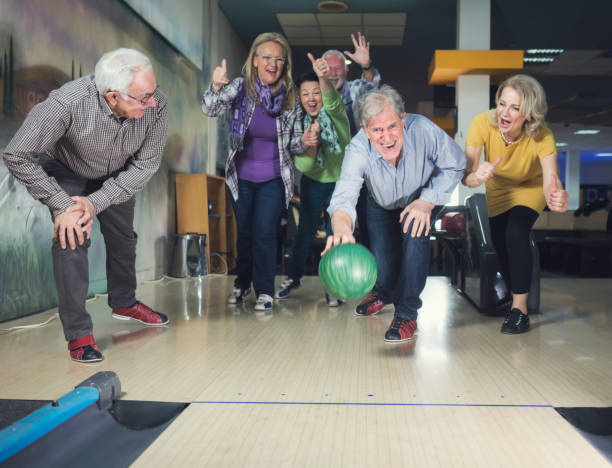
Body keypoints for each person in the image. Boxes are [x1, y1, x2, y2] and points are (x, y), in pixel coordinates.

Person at [2, 48, 169, 363]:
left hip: (119, 173)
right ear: (112, 97)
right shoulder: (66, 104)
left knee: (123, 239)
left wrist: (97, 201)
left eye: (152, 92)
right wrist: (62, 204)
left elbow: (146, 165)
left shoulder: (156, 103)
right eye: (142, 98)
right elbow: (17, 153)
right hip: (68, 169)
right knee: (71, 236)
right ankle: (79, 334)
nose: (152, 102)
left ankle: (124, 302)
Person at [326, 85, 466, 342]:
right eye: (377, 130)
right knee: (385, 266)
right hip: (381, 202)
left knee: (415, 236)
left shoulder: (423, 129)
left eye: (392, 126)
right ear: (364, 130)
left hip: (420, 200)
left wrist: (427, 201)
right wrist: (342, 228)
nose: (387, 137)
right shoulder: (357, 150)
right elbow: (344, 196)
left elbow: (456, 163)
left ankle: (407, 314)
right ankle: (385, 293)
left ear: (403, 120)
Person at [201, 32, 307, 311]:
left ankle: (264, 290)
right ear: (255, 61)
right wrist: (214, 86)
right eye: (267, 57)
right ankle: (241, 282)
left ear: (285, 65)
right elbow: (210, 109)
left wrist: (306, 141)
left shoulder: (291, 98)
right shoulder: (240, 88)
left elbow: (294, 143)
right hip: (242, 177)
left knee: (265, 232)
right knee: (245, 234)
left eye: (279, 59)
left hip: (274, 176)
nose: (273, 63)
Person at [462, 74, 569, 334]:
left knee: (516, 232)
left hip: (530, 189)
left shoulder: (542, 135)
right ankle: (514, 297)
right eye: (502, 103)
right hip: (498, 189)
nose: (504, 112)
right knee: (500, 245)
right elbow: (466, 177)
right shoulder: (481, 123)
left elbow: (550, 181)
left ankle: (520, 310)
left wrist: (558, 195)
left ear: (529, 114)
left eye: (515, 107)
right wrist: (478, 176)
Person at [274, 53, 350, 305]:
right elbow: (304, 165)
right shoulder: (297, 123)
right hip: (313, 183)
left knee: (334, 233)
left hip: (341, 182)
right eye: (305, 94)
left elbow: (332, 101)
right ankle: (294, 277)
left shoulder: (337, 115)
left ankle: (333, 282)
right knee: (304, 232)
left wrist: (323, 78)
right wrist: (311, 144)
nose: (311, 98)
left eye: (315, 92)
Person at [323, 33, 381, 270]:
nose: (334, 73)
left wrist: (366, 65)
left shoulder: (357, 90)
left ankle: (370, 276)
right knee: (335, 224)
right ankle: (335, 276)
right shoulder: (315, 95)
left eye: (339, 68)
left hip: (364, 173)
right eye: (329, 69)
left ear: (346, 72)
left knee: (368, 227)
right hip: (329, 174)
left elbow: (371, 85)